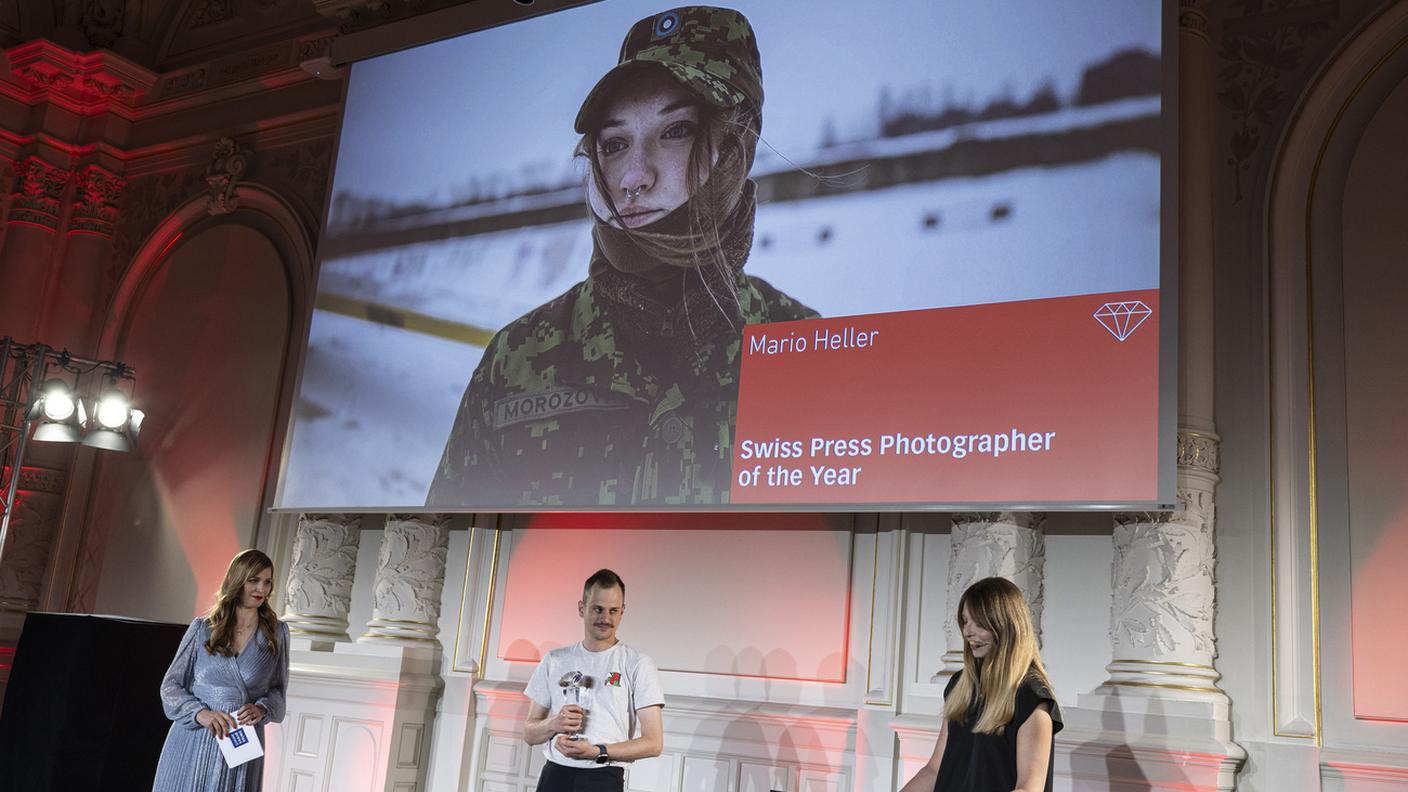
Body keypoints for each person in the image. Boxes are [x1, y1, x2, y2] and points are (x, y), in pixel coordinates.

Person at [427, 6, 818, 509]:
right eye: (614, 144)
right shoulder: (516, 360)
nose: (634, 177)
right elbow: (449, 550)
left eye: (675, 131)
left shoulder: (805, 350)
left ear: (736, 145)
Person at [900, 576, 1063, 792]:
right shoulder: (960, 686)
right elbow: (934, 770)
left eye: (979, 623)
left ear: (1006, 626)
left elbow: (1028, 788)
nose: (968, 631)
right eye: (965, 621)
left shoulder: (1031, 697)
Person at [152, 549, 290, 792]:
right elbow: (170, 687)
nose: (262, 589)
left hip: (240, 742)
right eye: (254, 580)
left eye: (267, 582)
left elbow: (279, 692)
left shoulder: (276, 634)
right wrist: (200, 714)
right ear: (237, 581)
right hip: (193, 738)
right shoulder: (202, 629)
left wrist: (262, 708)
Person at [522, 569, 664, 792]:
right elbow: (529, 734)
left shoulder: (638, 663)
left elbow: (654, 743)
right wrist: (553, 724)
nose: (605, 619)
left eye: (613, 611)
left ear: (622, 612)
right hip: (554, 775)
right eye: (598, 609)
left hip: (603, 777)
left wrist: (598, 751)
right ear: (581, 608)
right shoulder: (554, 660)